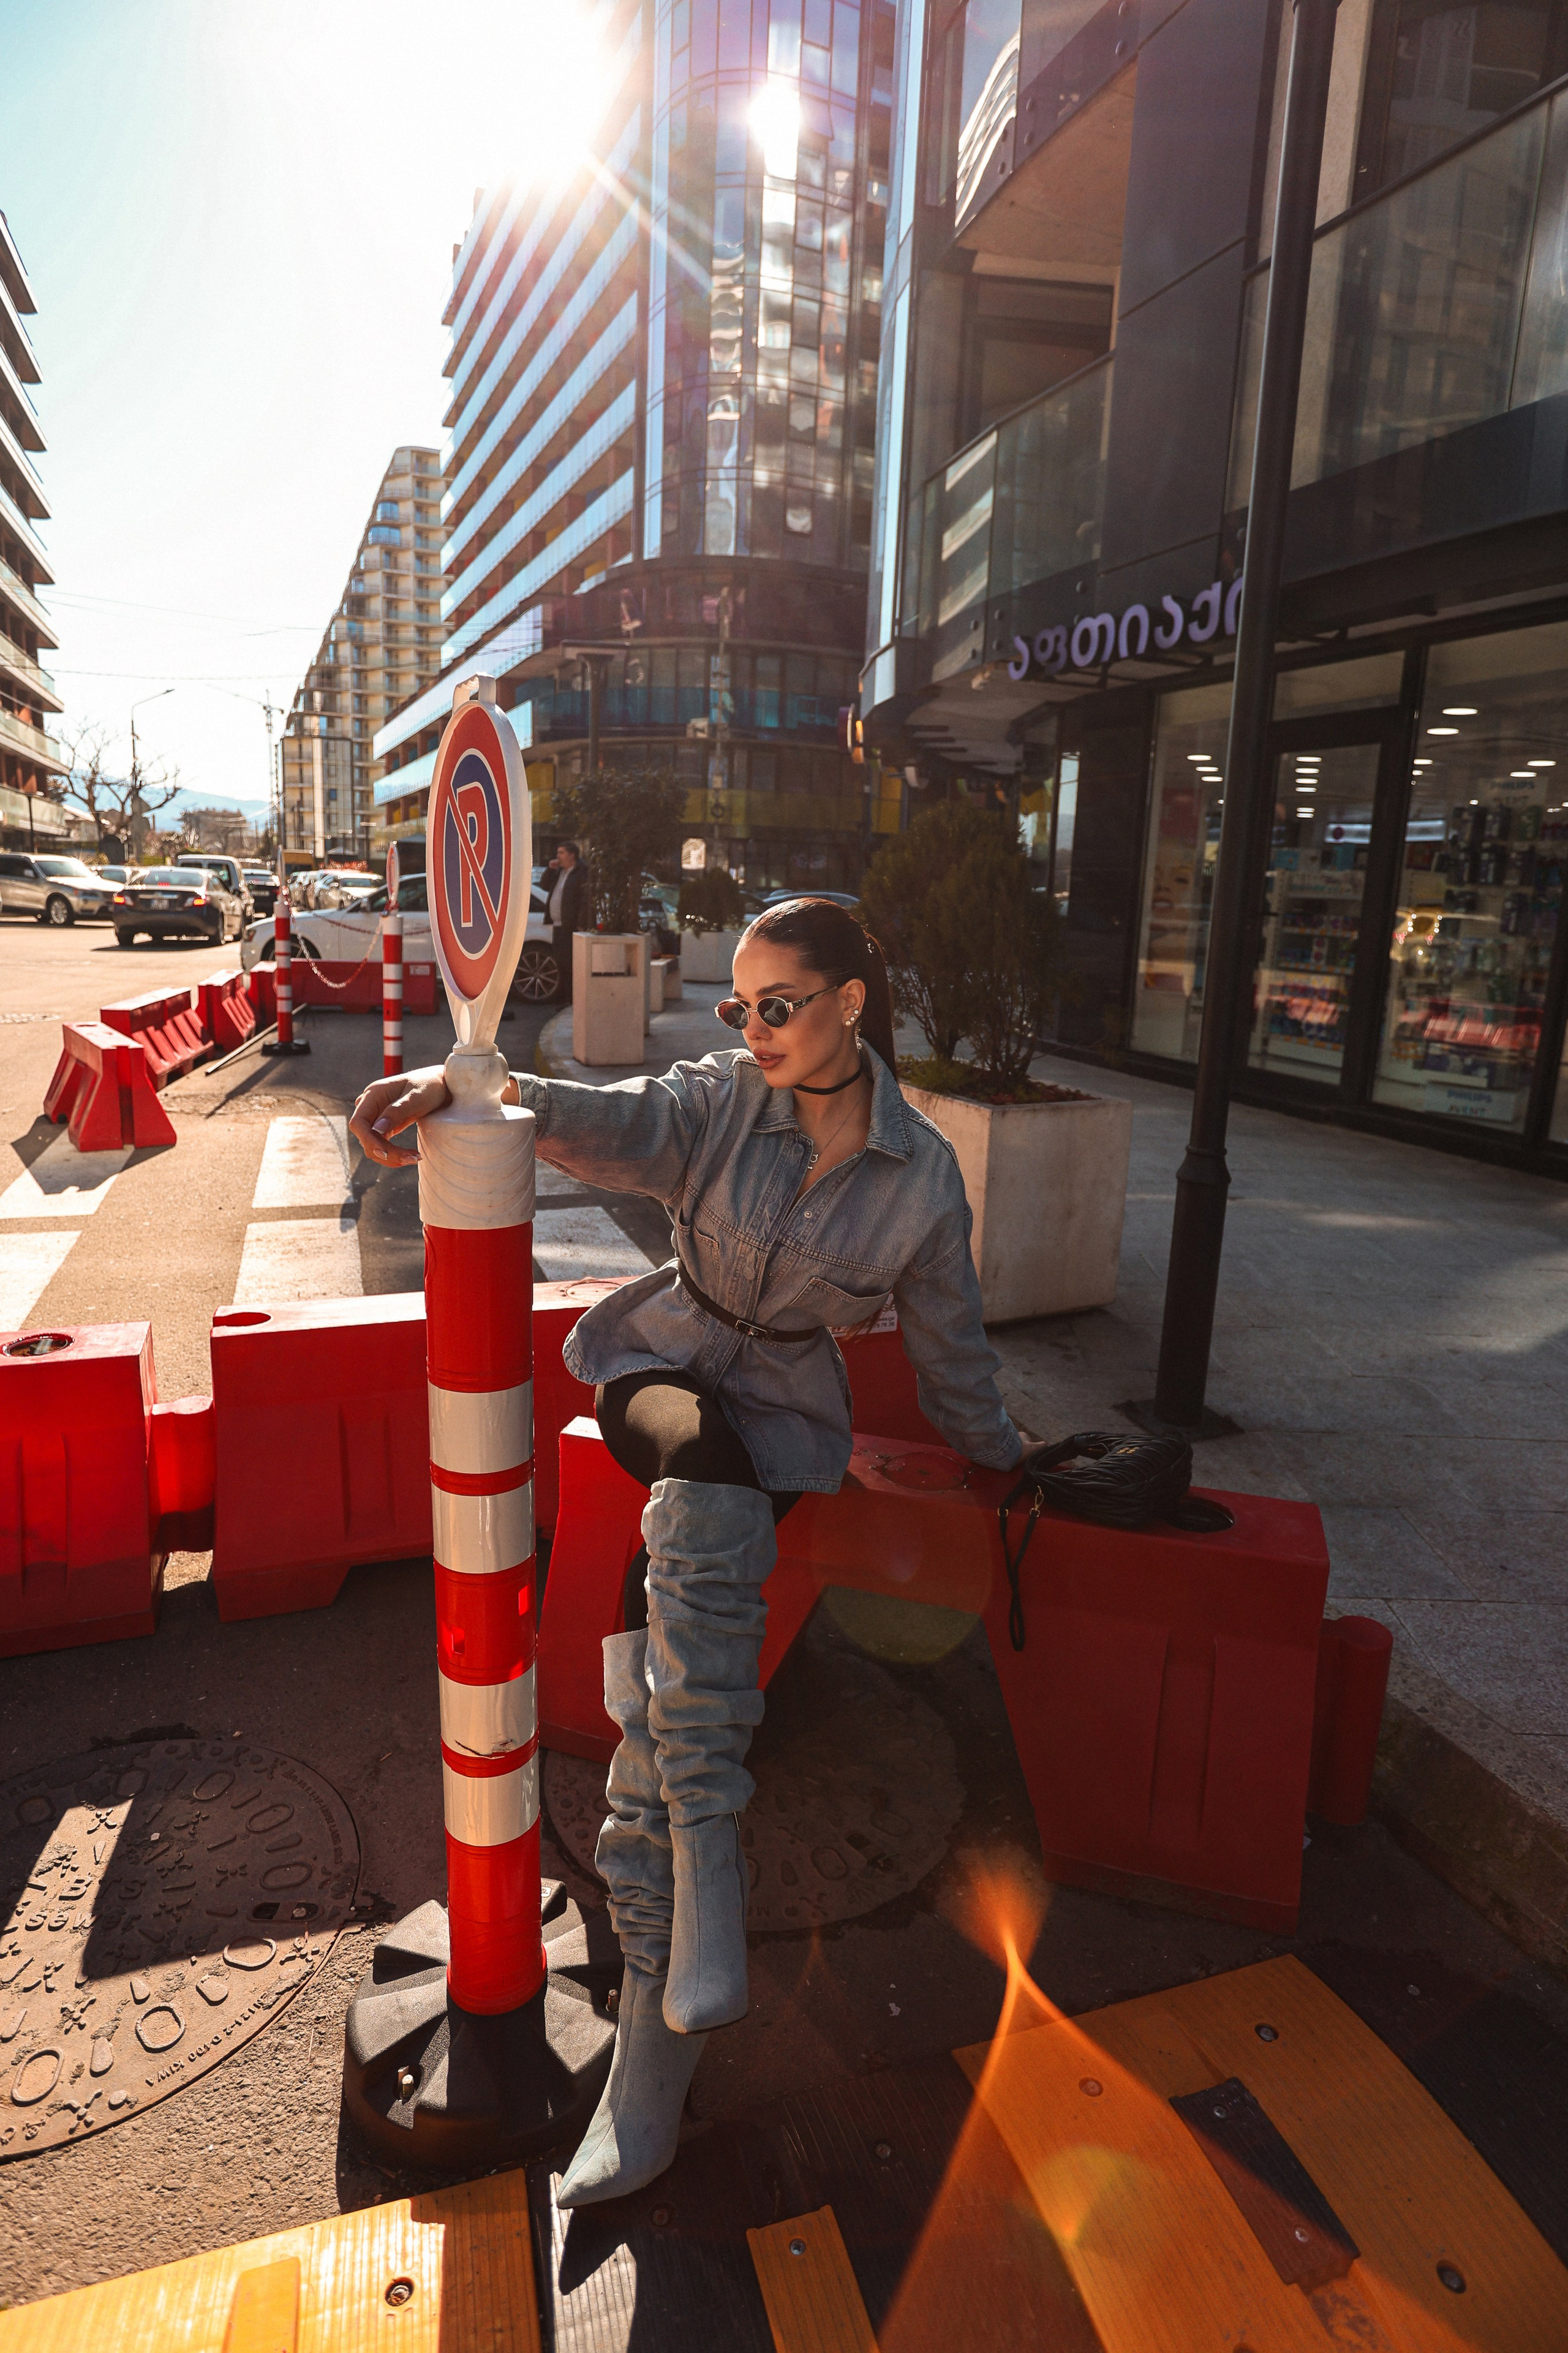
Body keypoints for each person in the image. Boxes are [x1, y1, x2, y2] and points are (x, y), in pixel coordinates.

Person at [348, 896, 1025, 2207]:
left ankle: (651, 2062)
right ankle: (709, 1840)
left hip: (783, 1420)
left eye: (778, 1004)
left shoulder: (922, 1178)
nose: (751, 1027)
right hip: (658, 1371)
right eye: (738, 1004)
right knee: (698, 1475)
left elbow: (952, 1352)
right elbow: (614, 1120)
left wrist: (1008, 1453)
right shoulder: (721, 1099)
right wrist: (474, 1085)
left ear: (849, 1004)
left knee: (660, 1710)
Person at [546, 840, 590, 1002]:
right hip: (558, 925)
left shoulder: (581, 872)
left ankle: (573, 999)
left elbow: (585, 899)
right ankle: (566, 998)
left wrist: (581, 921)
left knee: (570, 963)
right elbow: (544, 885)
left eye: (562, 853)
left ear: (572, 855)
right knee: (560, 962)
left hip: (571, 925)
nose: (558, 856)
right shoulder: (559, 872)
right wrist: (550, 870)